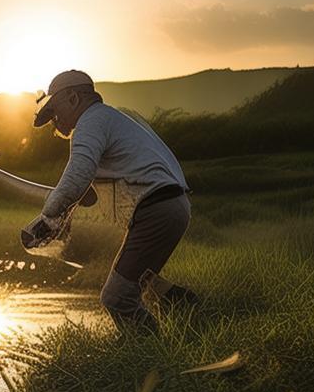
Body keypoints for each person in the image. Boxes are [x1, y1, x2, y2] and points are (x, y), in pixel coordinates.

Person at [26, 69, 196, 333]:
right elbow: (87, 192)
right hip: (169, 205)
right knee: (142, 282)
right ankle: (190, 310)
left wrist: (46, 218)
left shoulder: (90, 122)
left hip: (156, 209)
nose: (53, 123)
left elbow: (78, 175)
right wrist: (62, 217)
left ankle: (147, 351)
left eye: (54, 112)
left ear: (73, 98)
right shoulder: (111, 118)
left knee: (117, 297)